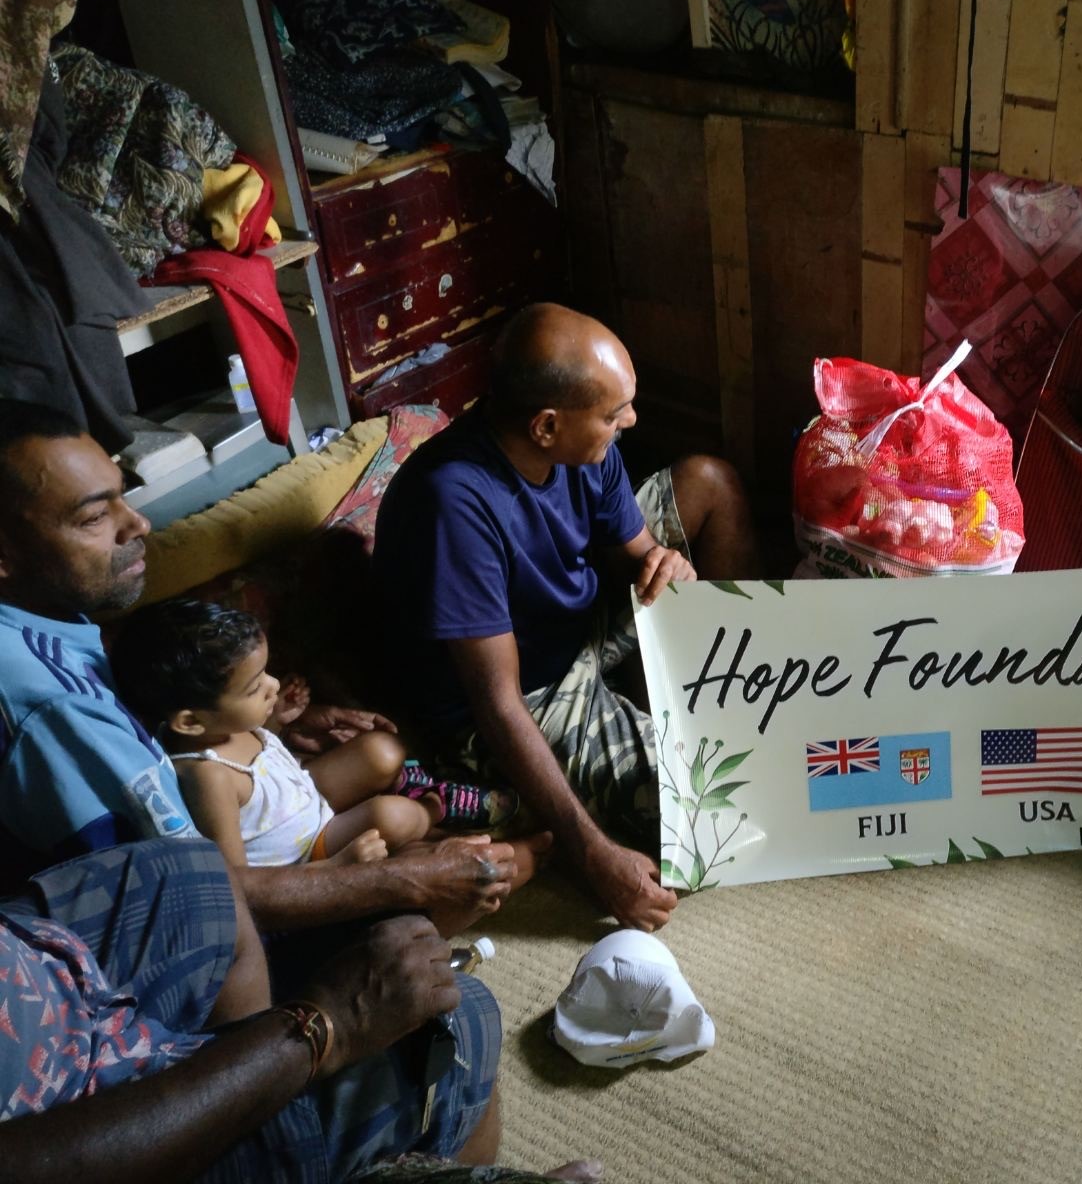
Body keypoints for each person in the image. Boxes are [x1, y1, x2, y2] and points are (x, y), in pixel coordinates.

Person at [0, 398, 549, 934]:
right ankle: (529, 852)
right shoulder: (51, 709)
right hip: (230, 925)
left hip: (268, 834)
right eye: (96, 515)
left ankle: (475, 832)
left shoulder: (54, 619)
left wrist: (257, 723)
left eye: (123, 495)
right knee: (463, 883)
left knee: (400, 799)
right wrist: (398, 880)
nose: (139, 523)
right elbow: (202, 906)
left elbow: (160, 740)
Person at [374, 303, 762, 931]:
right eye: (614, 414)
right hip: (529, 691)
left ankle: (689, 702)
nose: (629, 422)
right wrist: (594, 853)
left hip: (575, 618)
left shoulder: (585, 448)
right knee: (713, 818)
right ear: (547, 426)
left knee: (710, 486)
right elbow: (497, 703)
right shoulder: (454, 503)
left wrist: (664, 563)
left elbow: (634, 549)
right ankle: (545, 811)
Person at [0, 837, 501, 1182]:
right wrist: (323, 1026)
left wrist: (393, 878)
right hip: (73, 1139)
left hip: (37, 964)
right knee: (463, 1019)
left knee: (197, 871)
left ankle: (243, 1070)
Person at [112, 599, 518, 876]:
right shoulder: (208, 778)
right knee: (388, 816)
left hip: (304, 797)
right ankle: (432, 807)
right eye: (254, 688)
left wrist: (279, 724)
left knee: (381, 748)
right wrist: (333, 868)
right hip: (306, 852)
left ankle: (408, 791)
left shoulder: (220, 725)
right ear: (190, 721)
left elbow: (260, 768)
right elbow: (240, 880)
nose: (272, 685)